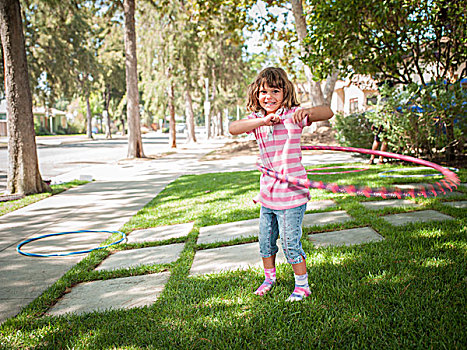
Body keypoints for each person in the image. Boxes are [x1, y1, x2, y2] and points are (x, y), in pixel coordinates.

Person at [229, 67, 334, 301]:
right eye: (263, 92)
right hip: (268, 195)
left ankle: (302, 285)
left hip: (292, 195)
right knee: (265, 241)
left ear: (285, 92)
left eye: (275, 91)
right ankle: (269, 278)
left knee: (289, 243)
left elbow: (328, 112)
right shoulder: (257, 121)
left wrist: (305, 111)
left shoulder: (293, 116)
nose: (269, 97)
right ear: (256, 95)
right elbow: (233, 128)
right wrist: (263, 122)